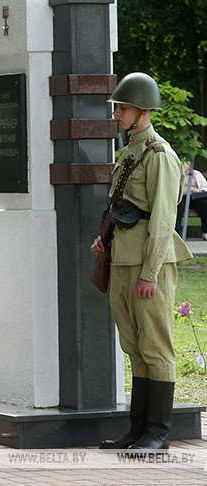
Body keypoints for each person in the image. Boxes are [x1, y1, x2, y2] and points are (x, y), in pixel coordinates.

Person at [91, 72, 193, 450]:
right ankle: (137, 431)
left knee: (155, 346)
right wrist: (106, 241)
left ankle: (158, 433)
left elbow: (164, 219)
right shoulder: (131, 150)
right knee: (133, 345)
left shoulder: (160, 155)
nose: (117, 113)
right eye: (117, 107)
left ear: (144, 111)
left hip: (150, 264)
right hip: (122, 259)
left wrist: (150, 272)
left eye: (124, 107)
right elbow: (125, 208)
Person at [174, 161, 207, 240]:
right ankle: (177, 233)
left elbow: (204, 187)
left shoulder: (196, 174)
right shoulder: (177, 173)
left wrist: (196, 190)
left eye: (186, 162)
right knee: (178, 205)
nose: (184, 164)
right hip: (182, 197)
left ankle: (205, 232)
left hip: (195, 197)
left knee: (205, 204)